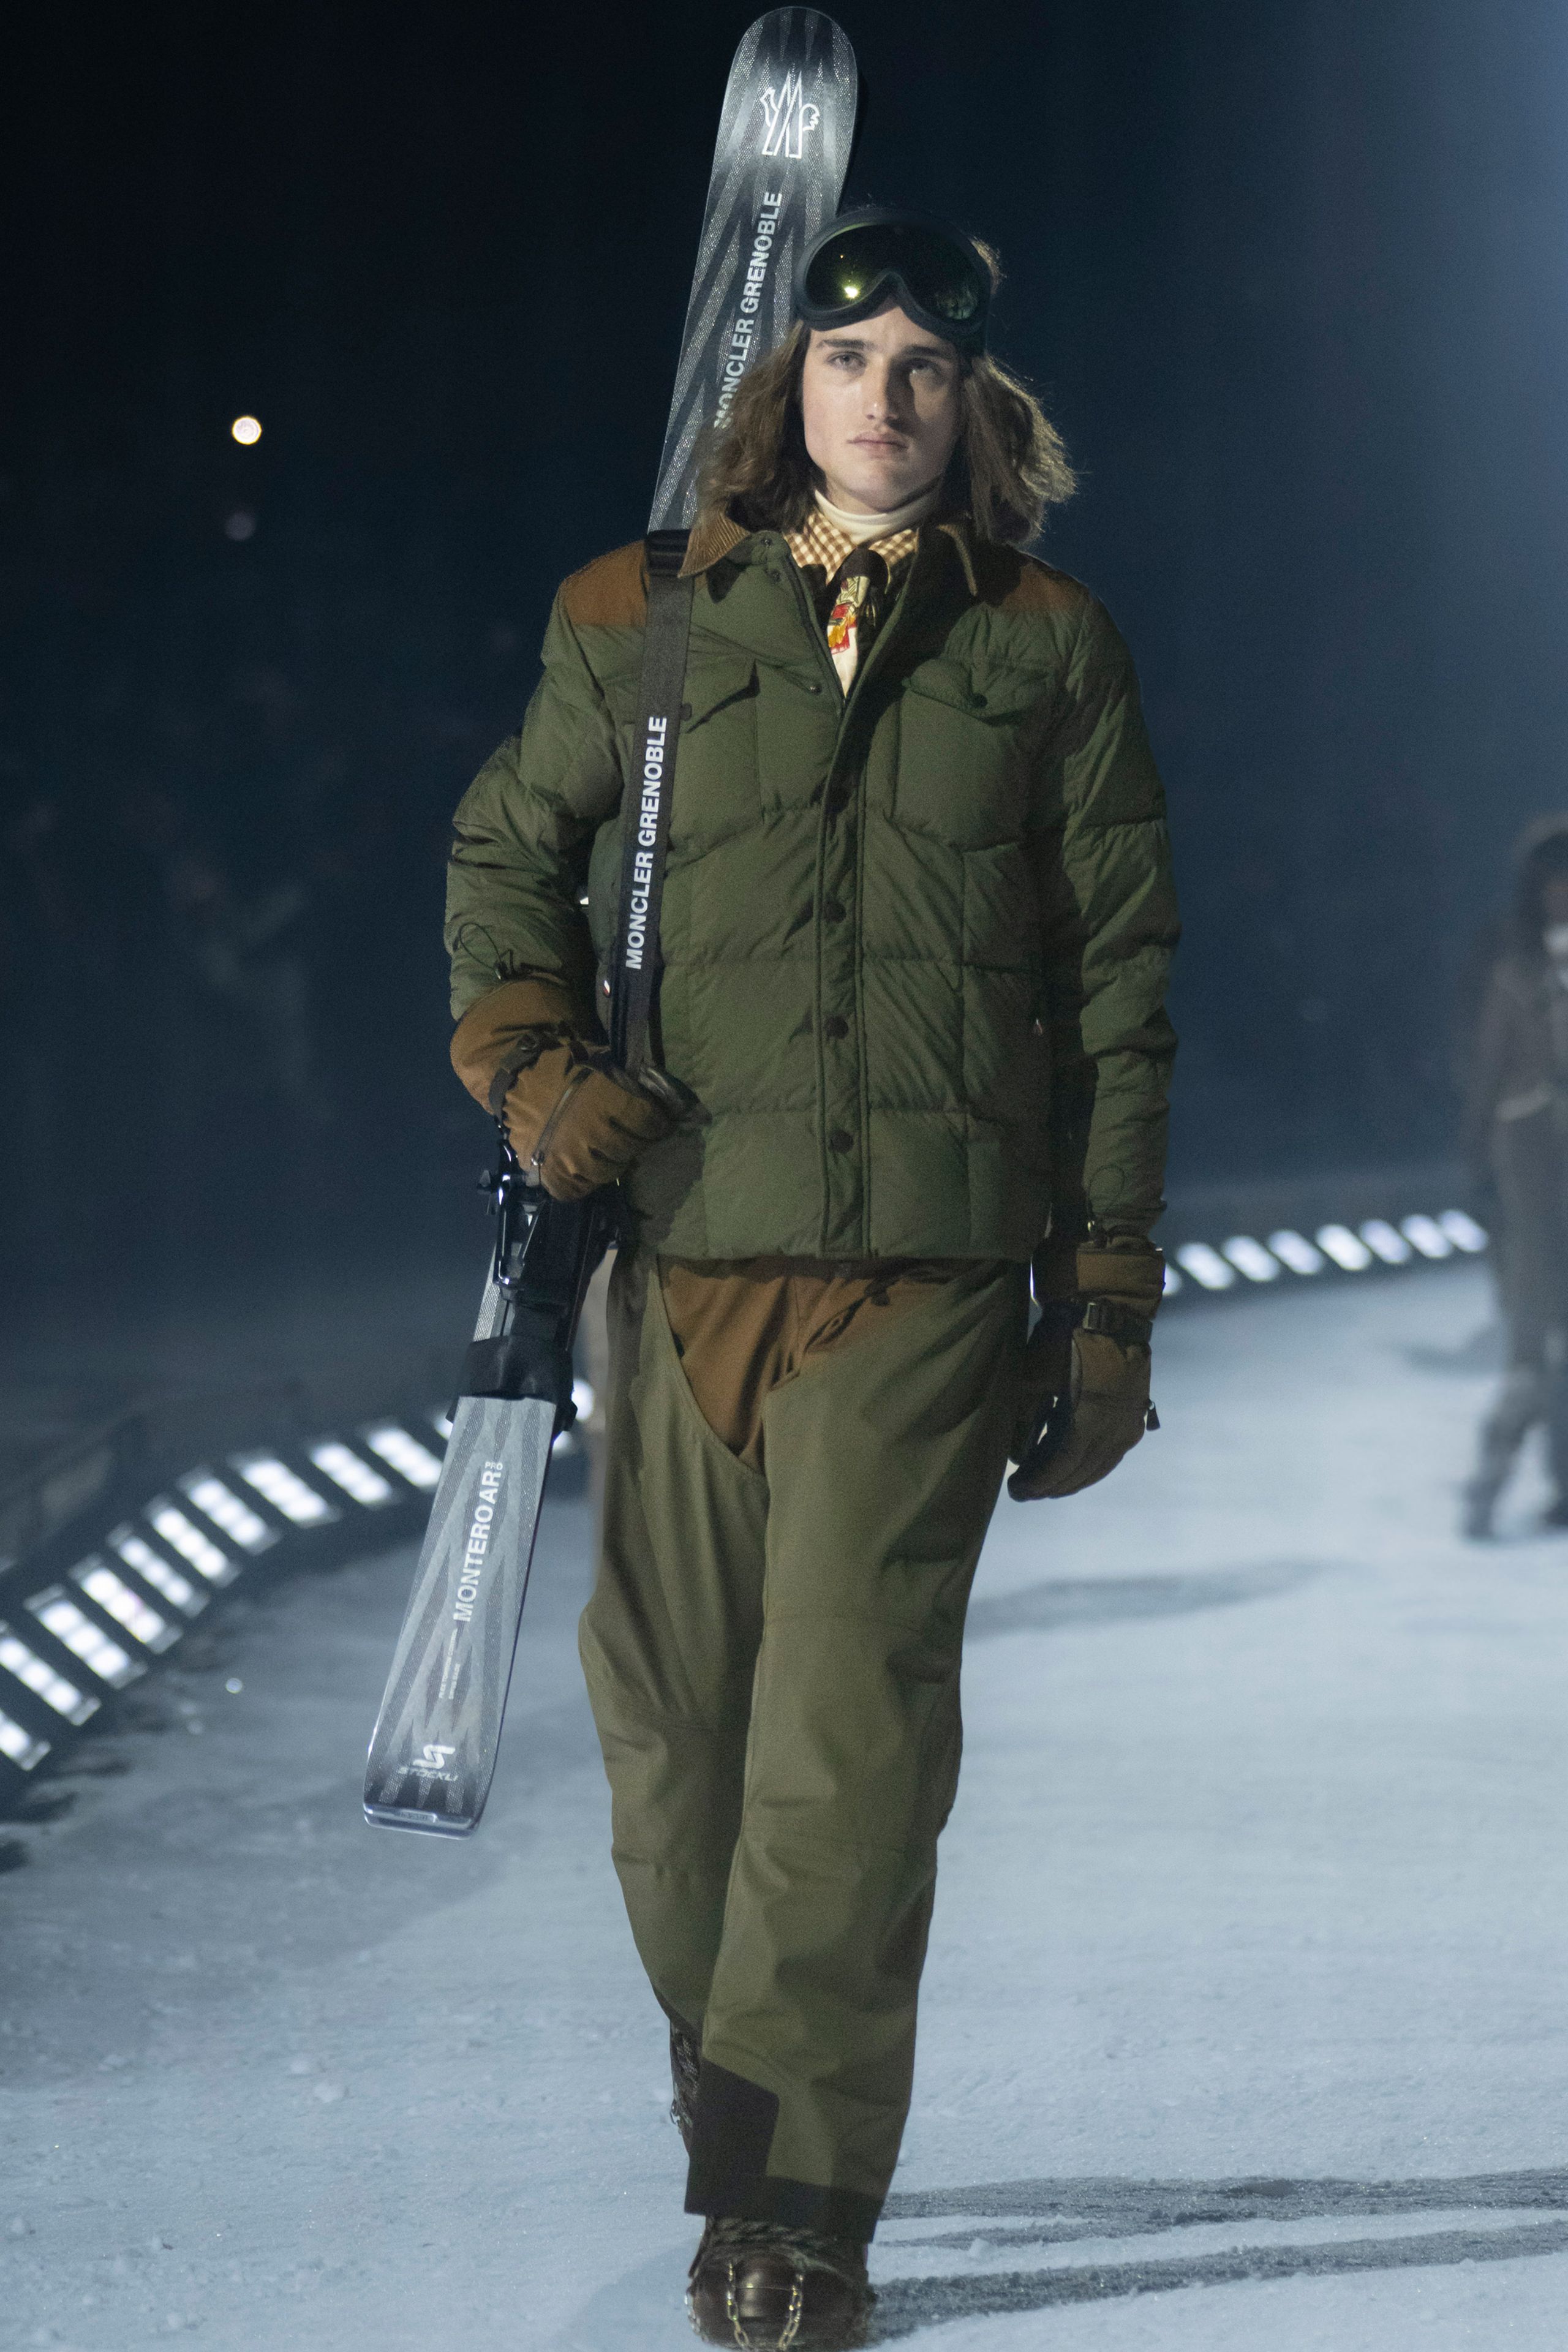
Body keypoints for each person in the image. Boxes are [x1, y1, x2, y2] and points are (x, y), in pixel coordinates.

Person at [443, 209, 1178, 2350]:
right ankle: (742, 2075)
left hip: (926, 1278)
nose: (885, 397)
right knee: (674, 1751)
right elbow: (501, 862)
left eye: (925, 366)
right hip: (675, 1257)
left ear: (977, 407)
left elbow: (1121, 989)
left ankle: (795, 2210)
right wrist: (534, 1071)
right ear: (789, 387)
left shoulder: (1046, 646)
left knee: (843, 1757)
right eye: (848, 358)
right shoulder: (641, 618)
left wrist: (1105, 1303)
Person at [1460, 815, 1568, 1539]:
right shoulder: (1512, 969)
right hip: (1529, 1163)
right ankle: (1491, 1479)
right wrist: (1476, 1165)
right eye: (1552, 882)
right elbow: (1487, 1068)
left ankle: (1559, 1484)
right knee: (1533, 1336)